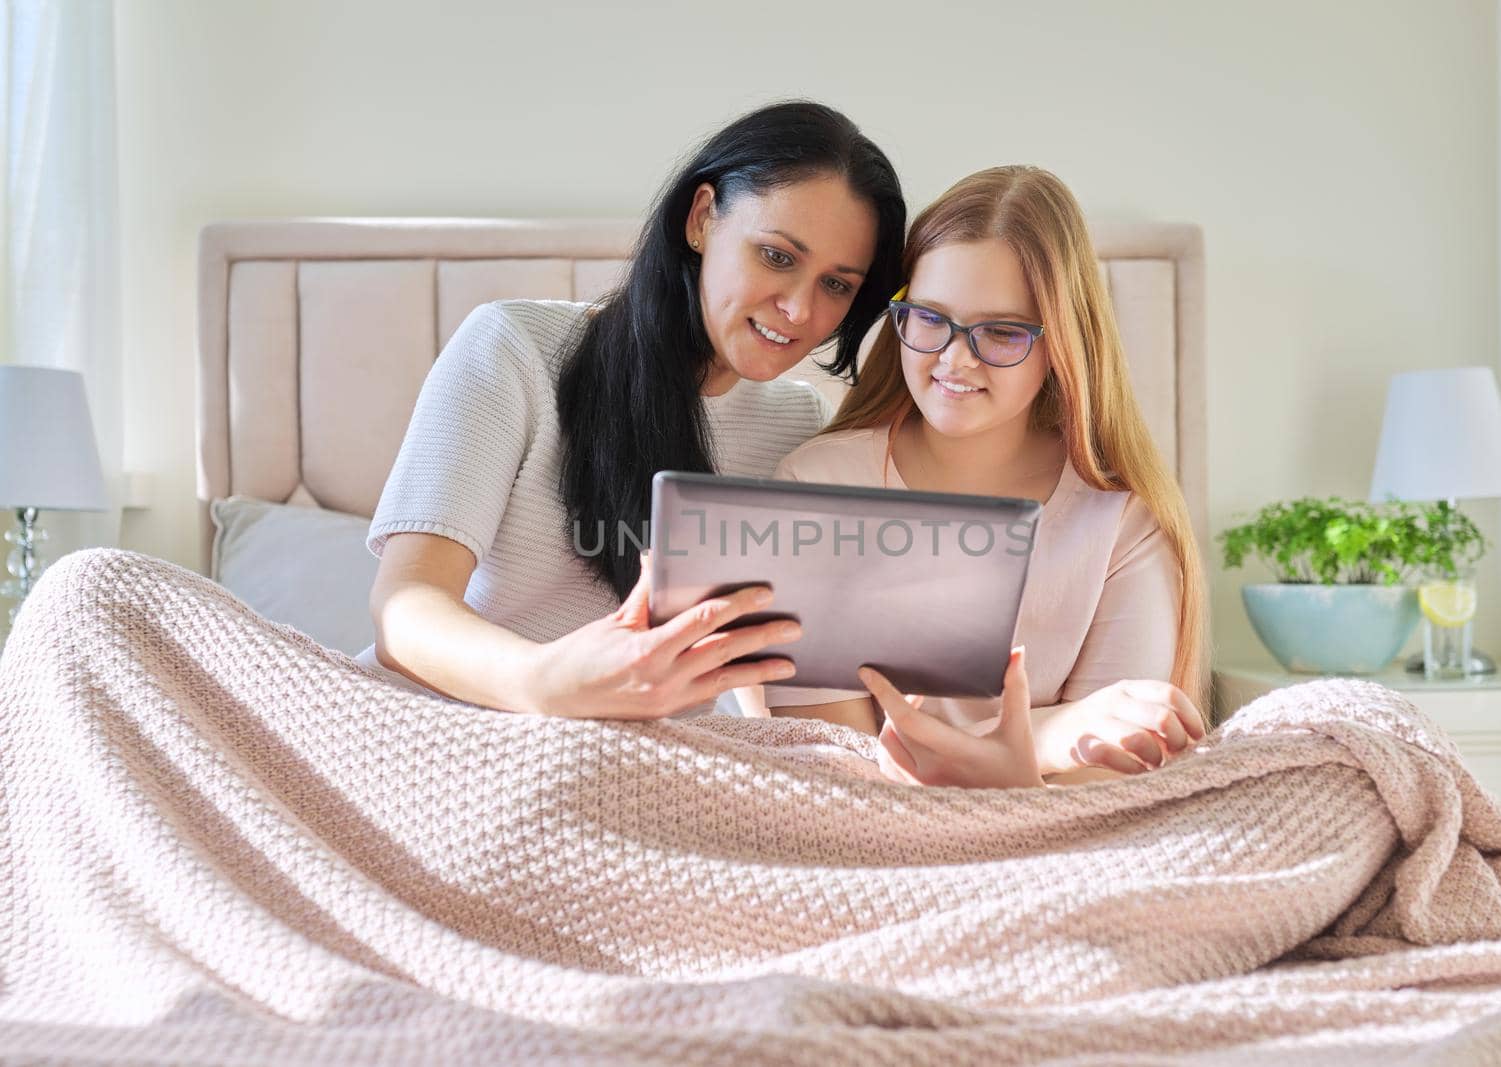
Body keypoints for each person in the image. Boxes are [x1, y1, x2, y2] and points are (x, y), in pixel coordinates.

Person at [358, 101, 906, 720]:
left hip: (635, 778)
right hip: (442, 731)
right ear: (701, 219)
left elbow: (764, 679)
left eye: (836, 285)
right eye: (777, 256)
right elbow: (404, 607)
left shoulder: (799, 428)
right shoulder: (515, 347)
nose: (801, 312)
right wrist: (544, 683)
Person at [748, 166, 1209, 787]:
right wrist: (1047, 736)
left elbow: (1107, 788)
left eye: (1001, 331)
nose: (954, 359)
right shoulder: (818, 483)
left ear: (1062, 347)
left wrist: (1032, 763)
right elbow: (832, 767)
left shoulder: (1124, 521)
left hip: (1053, 851)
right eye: (930, 318)